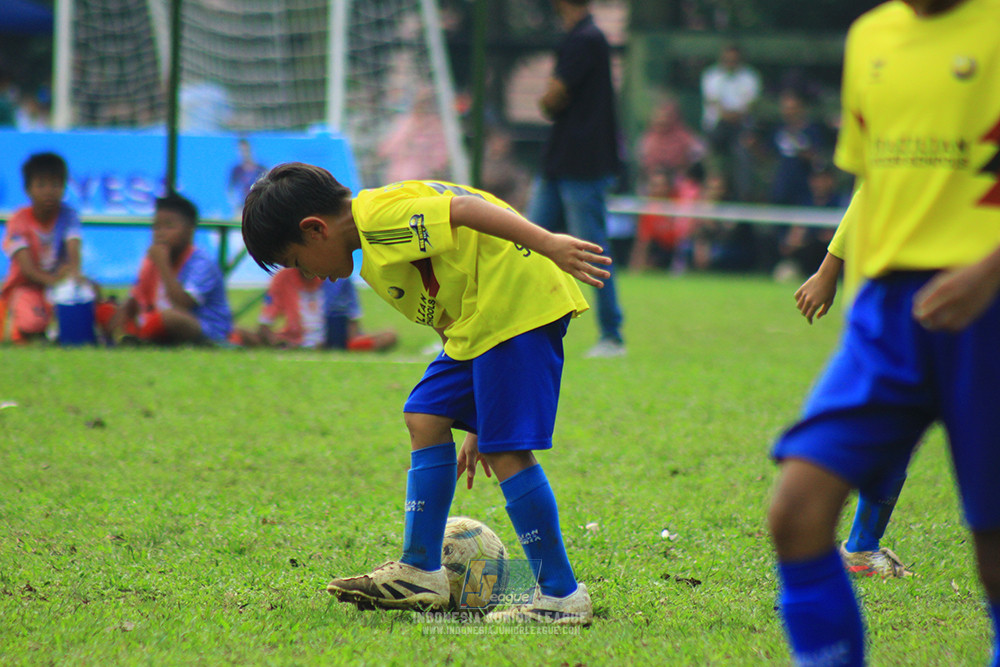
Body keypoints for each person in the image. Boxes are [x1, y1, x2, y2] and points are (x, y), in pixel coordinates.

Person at [241, 162, 613, 624]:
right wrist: (475, 413)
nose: (309, 275)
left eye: (298, 262)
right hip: (478, 320)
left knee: (507, 451)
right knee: (426, 415)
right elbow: (447, 316)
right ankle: (421, 570)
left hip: (514, 302)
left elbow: (466, 209)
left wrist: (549, 243)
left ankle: (561, 597)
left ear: (314, 229)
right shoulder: (377, 256)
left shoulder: (378, 220)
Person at [768, 0, 1000, 664]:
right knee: (797, 512)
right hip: (889, 317)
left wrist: (989, 268)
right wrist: (834, 269)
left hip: (986, 310)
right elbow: (877, 184)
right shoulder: (871, 37)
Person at [793, 196, 913, 580]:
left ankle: (859, 545)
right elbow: (871, 190)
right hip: (909, 290)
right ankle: (859, 547)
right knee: (893, 421)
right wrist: (829, 270)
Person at [528, 0, 625, 358]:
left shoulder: (584, 39)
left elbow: (553, 98)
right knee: (525, 244)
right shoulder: (586, 37)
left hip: (581, 163)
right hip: (564, 160)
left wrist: (548, 97)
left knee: (593, 249)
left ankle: (613, 335)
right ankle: (510, 327)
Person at [99, 192, 233, 345]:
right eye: (156, 227)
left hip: (205, 328)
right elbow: (134, 300)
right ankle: (128, 339)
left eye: (169, 226)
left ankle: (141, 339)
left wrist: (163, 265)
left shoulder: (200, 262)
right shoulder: (152, 260)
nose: (160, 233)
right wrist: (116, 322)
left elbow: (183, 304)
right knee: (105, 309)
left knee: (170, 318)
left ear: (190, 230)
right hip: (154, 320)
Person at [1, 152, 85, 341]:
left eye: (56, 184)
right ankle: (19, 323)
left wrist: (74, 276)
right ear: (28, 189)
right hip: (26, 288)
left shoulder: (69, 216)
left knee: (89, 299)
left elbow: (74, 249)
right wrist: (55, 281)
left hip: (59, 285)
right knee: (33, 323)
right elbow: (28, 270)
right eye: (41, 184)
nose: (49, 191)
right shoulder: (18, 221)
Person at [234, 267, 397, 351]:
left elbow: (352, 323)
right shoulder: (283, 278)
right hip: (293, 341)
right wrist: (279, 342)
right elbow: (264, 325)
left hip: (334, 341)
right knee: (239, 332)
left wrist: (348, 342)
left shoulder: (339, 278)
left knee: (389, 336)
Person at [700, 43, 761, 202]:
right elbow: (715, 104)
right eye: (727, 59)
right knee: (709, 154)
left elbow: (750, 106)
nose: (730, 62)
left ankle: (743, 197)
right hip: (717, 127)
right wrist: (730, 114)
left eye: (734, 60)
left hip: (741, 126)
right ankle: (710, 194)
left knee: (744, 151)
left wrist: (735, 115)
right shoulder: (711, 76)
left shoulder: (750, 77)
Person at [227, 138, 267, 215]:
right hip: (241, 207)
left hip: (258, 207)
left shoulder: (261, 169)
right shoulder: (236, 170)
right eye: (241, 151)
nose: (244, 153)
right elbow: (231, 190)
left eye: (246, 150)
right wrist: (236, 205)